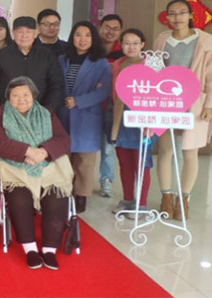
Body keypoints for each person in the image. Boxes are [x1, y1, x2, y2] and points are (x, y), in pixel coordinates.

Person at [0, 76, 73, 270]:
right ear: (8, 97)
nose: (21, 99)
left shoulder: (46, 113)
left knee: (56, 196)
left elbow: (64, 139)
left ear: (33, 95)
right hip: (14, 167)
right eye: (15, 95)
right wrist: (27, 151)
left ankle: (49, 250)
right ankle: (30, 249)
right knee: (20, 198)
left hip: (48, 165)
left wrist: (43, 151)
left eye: (26, 95)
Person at [153, 0, 212, 219]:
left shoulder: (206, 41)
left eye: (182, 12)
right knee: (165, 150)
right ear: (167, 16)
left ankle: (183, 200)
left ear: (191, 15)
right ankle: (166, 198)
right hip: (166, 103)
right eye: (172, 13)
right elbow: (154, 70)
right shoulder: (162, 40)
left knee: (190, 152)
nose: (177, 18)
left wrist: (210, 105)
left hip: (194, 103)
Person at [57, 21, 111, 213]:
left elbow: (104, 90)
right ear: (72, 37)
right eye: (78, 35)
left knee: (85, 161)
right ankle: (63, 193)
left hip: (87, 116)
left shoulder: (101, 63)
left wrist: (79, 101)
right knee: (63, 158)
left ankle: (81, 197)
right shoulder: (62, 60)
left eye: (87, 35)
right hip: (63, 113)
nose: (82, 39)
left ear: (93, 39)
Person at [109, 29, 153, 214]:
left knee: (141, 163)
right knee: (125, 163)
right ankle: (127, 200)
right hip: (120, 120)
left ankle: (141, 204)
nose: (131, 47)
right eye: (127, 43)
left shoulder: (151, 65)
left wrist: (151, 124)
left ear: (143, 44)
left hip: (143, 122)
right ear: (121, 45)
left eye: (135, 43)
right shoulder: (117, 64)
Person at [0, 16, 65, 113]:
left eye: (28, 32)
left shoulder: (46, 55)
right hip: (7, 113)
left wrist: (48, 110)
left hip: (40, 112)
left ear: (35, 33)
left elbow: (56, 84)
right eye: (20, 32)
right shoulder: (2, 55)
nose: (24, 36)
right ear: (13, 33)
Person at [97, 13, 124, 197]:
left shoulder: (123, 53)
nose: (110, 32)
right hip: (90, 105)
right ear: (100, 27)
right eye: (107, 27)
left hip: (112, 106)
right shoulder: (90, 48)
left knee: (108, 148)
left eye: (115, 29)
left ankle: (106, 180)